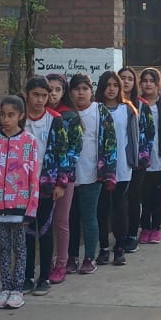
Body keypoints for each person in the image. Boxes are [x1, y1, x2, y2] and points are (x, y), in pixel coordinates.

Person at [0, 95, 41, 309]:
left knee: (20, 248)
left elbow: (33, 176)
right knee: (3, 248)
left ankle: (17, 289)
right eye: (2, 115)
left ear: (21, 116)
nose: (6, 119)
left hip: (20, 206)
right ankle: (5, 288)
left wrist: (31, 208)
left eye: (11, 115)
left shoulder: (29, 141)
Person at [65, 73, 116, 274]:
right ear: (70, 92)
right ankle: (71, 256)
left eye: (85, 89)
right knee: (70, 218)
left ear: (91, 91)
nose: (81, 93)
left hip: (92, 174)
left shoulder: (100, 111)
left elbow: (110, 142)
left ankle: (89, 257)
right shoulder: (66, 113)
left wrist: (109, 172)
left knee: (89, 216)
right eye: (77, 89)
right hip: (68, 175)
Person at [22, 77, 68, 294]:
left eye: (44, 95)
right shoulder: (19, 118)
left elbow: (62, 153)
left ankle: (44, 277)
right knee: (26, 232)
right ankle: (27, 275)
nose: (40, 100)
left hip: (47, 185)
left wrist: (61, 183)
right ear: (27, 95)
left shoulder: (55, 120)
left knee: (45, 231)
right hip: (22, 187)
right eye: (35, 95)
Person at [97, 70, 138, 266]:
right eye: (107, 85)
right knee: (102, 208)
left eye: (115, 85)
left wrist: (133, 161)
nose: (111, 89)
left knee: (120, 207)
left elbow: (133, 138)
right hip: (100, 168)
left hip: (122, 166)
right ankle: (104, 248)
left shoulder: (127, 109)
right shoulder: (96, 109)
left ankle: (120, 247)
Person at [44, 74, 82, 284]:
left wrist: (63, 177)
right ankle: (46, 262)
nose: (53, 94)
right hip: (42, 177)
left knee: (61, 221)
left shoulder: (70, 116)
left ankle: (62, 263)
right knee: (43, 223)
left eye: (57, 90)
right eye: (49, 89)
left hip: (64, 177)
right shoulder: (38, 115)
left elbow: (74, 149)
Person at [134, 67, 161, 244]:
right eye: (145, 81)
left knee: (158, 195)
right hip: (142, 159)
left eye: (152, 81)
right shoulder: (135, 104)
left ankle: (155, 228)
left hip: (160, 158)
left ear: (158, 84)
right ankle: (145, 227)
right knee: (143, 196)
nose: (148, 84)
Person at [117, 66, 144, 252]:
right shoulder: (109, 105)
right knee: (119, 201)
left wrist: (140, 158)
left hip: (137, 161)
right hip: (117, 162)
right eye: (122, 78)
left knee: (134, 198)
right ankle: (121, 234)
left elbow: (148, 133)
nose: (125, 82)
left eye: (129, 78)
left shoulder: (140, 105)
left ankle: (132, 235)